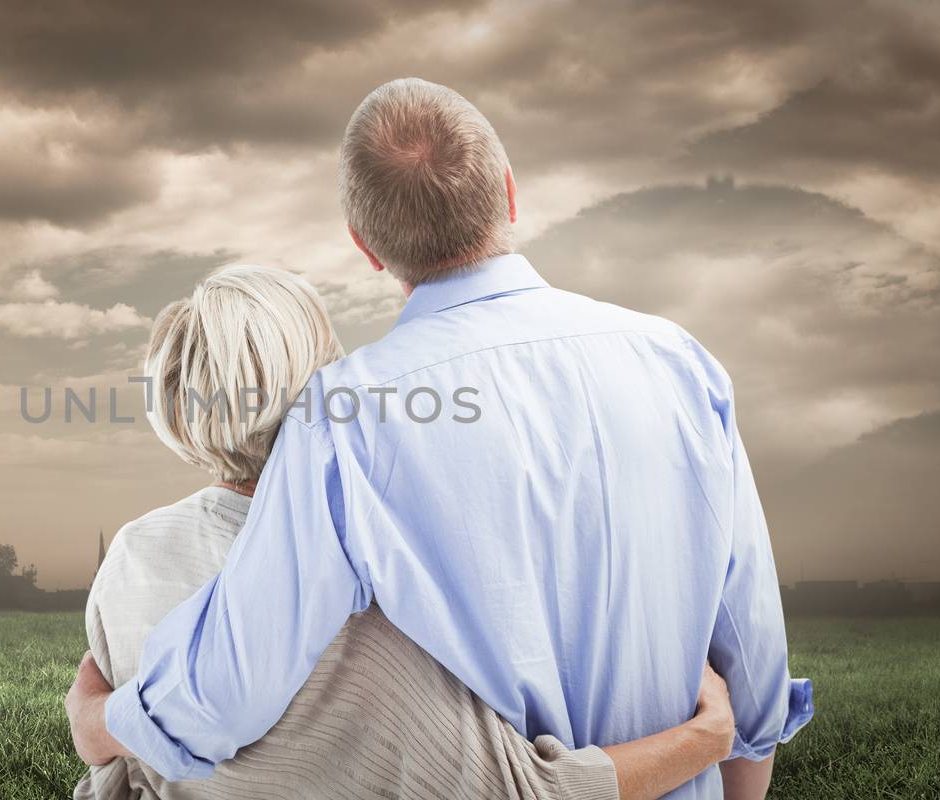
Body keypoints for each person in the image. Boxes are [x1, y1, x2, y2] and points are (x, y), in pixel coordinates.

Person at [68, 79, 813, 799]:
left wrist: (102, 722)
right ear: (510, 192)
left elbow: (228, 689)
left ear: (366, 247)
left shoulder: (344, 417)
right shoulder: (680, 362)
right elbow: (751, 659)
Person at [74, 264, 738, 800]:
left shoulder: (130, 558)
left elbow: (120, 779)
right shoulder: (380, 586)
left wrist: (97, 725)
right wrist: (709, 735)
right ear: (325, 382)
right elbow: (533, 793)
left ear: (173, 406)